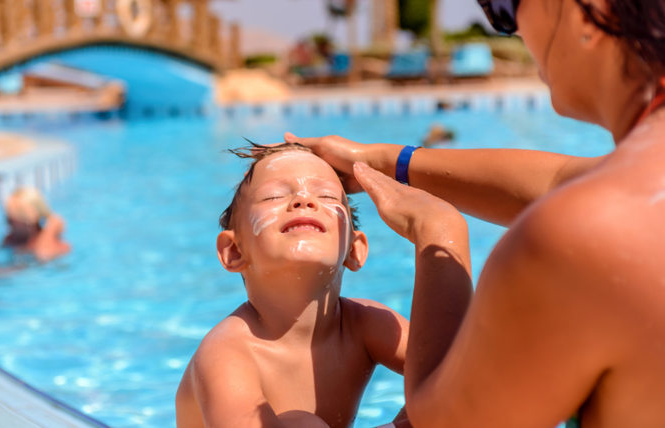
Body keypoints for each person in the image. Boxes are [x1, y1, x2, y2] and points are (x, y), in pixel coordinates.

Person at [283, 0, 665, 425]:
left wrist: (438, 230)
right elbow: (561, 179)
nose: (510, 28)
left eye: (504, 6)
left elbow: (441, 420)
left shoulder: (574, 242)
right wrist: (387, 161)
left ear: (589, 10)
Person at [175, 143, 410, 428]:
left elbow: (456, 376)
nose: (304, 200)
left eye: (325, 195)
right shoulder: (226, 354)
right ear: (234, 251)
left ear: (353, 249)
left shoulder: (368, 325)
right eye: (273, 196)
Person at [2, 187, 70, 261]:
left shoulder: (54, 244)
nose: (8, 223)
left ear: (27, 221)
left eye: (12, 220)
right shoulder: (13, 240)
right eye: (7, 218)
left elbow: (44, 255)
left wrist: (51, 228)